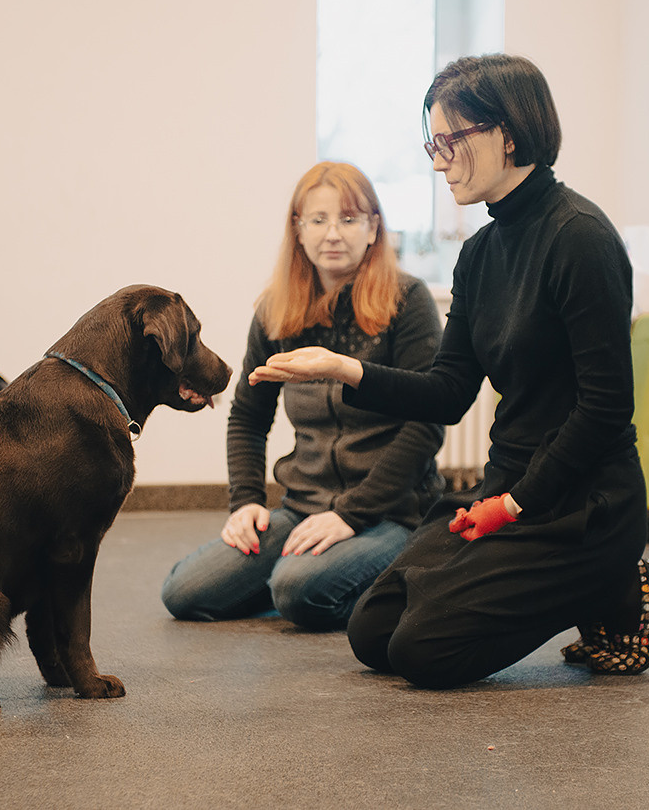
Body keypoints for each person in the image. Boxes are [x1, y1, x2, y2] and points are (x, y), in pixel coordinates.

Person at [249, 54, 649, 688]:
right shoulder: (479, 253)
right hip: (506, 488)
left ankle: (612, 588)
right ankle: (577, 587)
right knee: (374, 633)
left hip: (582, 503)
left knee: (424, 651)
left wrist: (517, 502)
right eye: (432, 143)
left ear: (509, 134)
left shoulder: (581, 238)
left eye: (450, 142)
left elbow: (606, 409)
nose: (438, 161)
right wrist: (341, 367)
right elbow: (447, 393)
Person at [161, 162, 445, 631]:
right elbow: (248, 417)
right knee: (185, 592)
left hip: (392, 513)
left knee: (297, 590)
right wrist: (247, 502)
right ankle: (300, 579)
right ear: (298, 228)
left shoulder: (407, 301)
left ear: (374, 228)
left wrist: (351, 516)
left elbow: (426, 424)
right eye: (318, 220)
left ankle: (395, 581)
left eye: (349, 219)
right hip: (302, 507)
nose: (333, 234)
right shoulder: (276, 309)